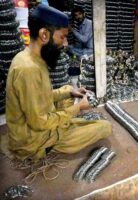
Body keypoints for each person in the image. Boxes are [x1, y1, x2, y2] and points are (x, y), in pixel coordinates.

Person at [5, 4, 111, 161]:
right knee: (105, 127)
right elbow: (40, 122)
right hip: (35, 140)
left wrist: (69, 92)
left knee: (68, 89)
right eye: (62, 37)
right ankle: (50, 146)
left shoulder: (29, 58)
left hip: (38, 127)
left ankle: (65, 120)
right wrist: (78, 107)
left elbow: (41, 96)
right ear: (44, 34)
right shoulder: (28, 69)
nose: (65, 43)